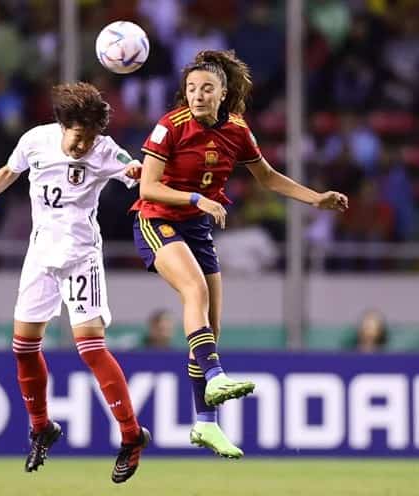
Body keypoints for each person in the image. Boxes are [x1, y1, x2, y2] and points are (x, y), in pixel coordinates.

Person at [130, 50, 348, 458]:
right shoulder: (169, 127)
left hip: (196, 227)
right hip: (157, 220)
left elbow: (267, 177)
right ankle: (215, 375)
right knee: (195, 292)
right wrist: (198, 197)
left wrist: (315, 199)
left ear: (223, 93)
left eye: (206, 88)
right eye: (191, 88)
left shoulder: (237, 130)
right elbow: (148, 188)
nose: (197, 95)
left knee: (209, 327)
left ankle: (205, 424)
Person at [0, 82, 150, 483]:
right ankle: (41, 426)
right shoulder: (36, 140)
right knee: (22, 347)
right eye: (78, 136)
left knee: (90, 348)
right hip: (40, 255)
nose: (83, 145)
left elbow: (135, 171)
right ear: (63, 124)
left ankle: (130, 435)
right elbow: (7, 172)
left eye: (90, 137)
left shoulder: (106, 150)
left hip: (81, 257)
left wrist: (136, 170)